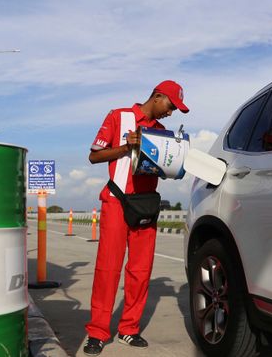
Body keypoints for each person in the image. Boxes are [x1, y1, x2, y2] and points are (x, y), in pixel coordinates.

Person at [83, 80, 189, 356]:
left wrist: (176, 162)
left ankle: (128, 329)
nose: (171, 112)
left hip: (145, 206)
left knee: (140, 271)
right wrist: (127, 147)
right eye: (170, 105)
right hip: (117, 201)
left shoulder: (164, 133)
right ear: (157, 96)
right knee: (108, 269)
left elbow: (166, 169)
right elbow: (94, 157)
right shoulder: (119, 116)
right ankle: (97, 332)